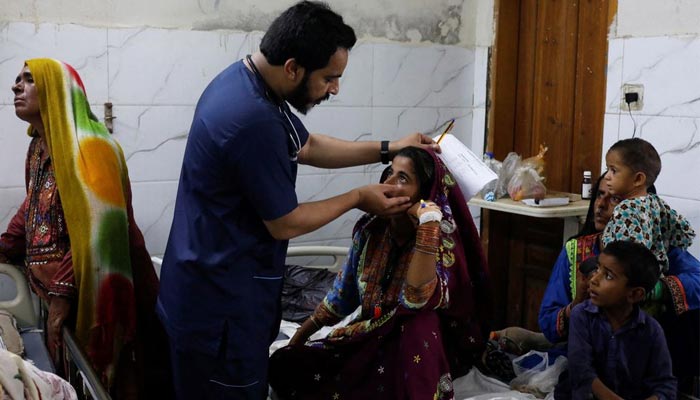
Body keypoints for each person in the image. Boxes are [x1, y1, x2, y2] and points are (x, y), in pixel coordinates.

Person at [156, 2, 439, 399]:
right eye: (329, 78)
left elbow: (306, 145)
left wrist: (390, 148)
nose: (335, 89)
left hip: (211, 288)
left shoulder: (247, 82)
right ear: (293, 68)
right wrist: (358, 197)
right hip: (220, 310)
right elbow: (285, 222)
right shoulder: (251, 119)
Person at [0, 59, 172, 398]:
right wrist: (4, 247)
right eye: (17, 79)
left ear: (57, 92)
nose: (16, 86)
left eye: (29, 79)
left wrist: (62, 295)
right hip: (53, 296)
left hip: (94, 294)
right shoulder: (39, 148)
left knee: (110, 378)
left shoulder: (92, 149)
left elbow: (102, 230)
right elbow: (31, 208)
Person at [268, 147, 491, 399]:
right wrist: (299, 338)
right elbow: (342, 296)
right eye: (389, 173)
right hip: (369, 343)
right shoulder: (370, 230)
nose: (388, 184)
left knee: (417, 323)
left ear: (424, 194)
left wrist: (428, 225)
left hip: (414, 355)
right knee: (283, 364)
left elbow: (415, 299)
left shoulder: (440, 241)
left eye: (403, 178)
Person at [539, 173, 700, 394]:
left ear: (641, 211)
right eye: (599, 195)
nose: (601, 206)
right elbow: (548, 323)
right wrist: (576, 305)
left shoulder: (660, 253)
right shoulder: (576, 251)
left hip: (643, 372)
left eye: (615, 199)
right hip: (590, 370)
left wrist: (656, 289)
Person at [565, 240, 676, 399]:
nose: (594, 280)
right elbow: (582, 373)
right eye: (597, 269)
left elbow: (665, 385)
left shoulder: (651, 331)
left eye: (608, 276)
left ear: (634, 294)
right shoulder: (582, 316)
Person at [602, 137, 695, 267]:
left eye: (614, 170)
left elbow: (626, 259)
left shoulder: (625, 209)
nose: (607, 176)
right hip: (653, 277)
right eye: (607, 169)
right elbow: (686, 233)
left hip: (628, 282)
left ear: (638, 179)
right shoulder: (656, 202)